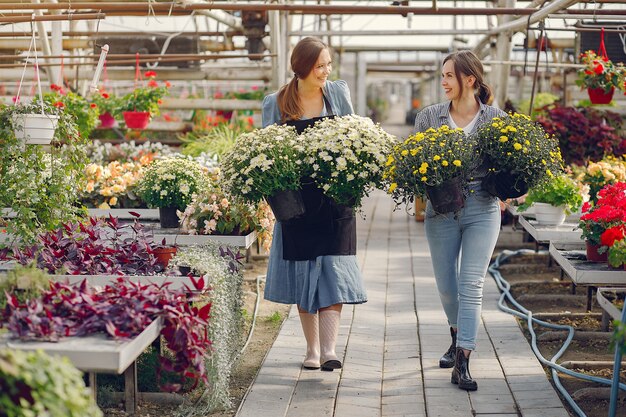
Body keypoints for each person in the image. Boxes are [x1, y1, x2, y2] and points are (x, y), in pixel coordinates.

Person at [261, 37, 367, 371]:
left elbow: (354, 137)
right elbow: (266, 152)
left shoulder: (336, 94)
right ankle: (311, 350)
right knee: (304, 271)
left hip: (335, 199)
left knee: (334, 269)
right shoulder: (276, 102)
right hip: (296, 202)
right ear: (303, 67)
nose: (326, 71)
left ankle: (330, 350)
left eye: (328, 65)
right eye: (320, 65)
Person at [413, 50, 506, 391]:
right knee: (446, 285)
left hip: (483, 207)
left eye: (449, 76)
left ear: (470, 80)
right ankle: (456, 335)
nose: (443, 82)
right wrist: (420, 198)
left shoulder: (495, 118)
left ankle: (463, 359)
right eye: (442, 76)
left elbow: (505, 165)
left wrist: (510, 191)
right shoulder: (429, 118)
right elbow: (414, 161)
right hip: (441, 210)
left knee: (472, 285)